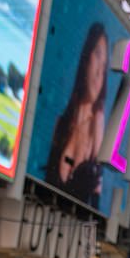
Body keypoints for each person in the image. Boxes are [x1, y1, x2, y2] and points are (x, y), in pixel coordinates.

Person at [46, 22, 108, 208]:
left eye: (104, 68)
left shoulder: (97, 125)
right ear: (86, 56)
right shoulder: (62, 123)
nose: (99, 73)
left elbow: (95, 200)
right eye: (97, 55)